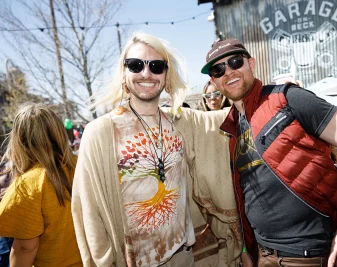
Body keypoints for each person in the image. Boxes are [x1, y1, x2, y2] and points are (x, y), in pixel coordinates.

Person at [200, 39, 337, 267]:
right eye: (218, 69)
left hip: (307, 255)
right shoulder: (232, 126)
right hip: (263, 255)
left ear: (251, 63)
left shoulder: (288, 99)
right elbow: (246, 196)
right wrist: (246, 249)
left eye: (235, 62)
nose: (228, 72)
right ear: (213, 80)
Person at [71, 32, 242, 267]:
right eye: (135, 65)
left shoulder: (181, 122)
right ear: (124, 74)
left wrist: (272, 93)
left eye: (156, 66)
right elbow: (87, 212)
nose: (146, 73)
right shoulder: (99, 133)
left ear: (166, 75)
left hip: (183, 256)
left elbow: (229, 117)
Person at [0, 103, 82, 267]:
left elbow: (25, 248)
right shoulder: (83, 165)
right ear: (59, 132)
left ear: (19, 140)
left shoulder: (27, 185)